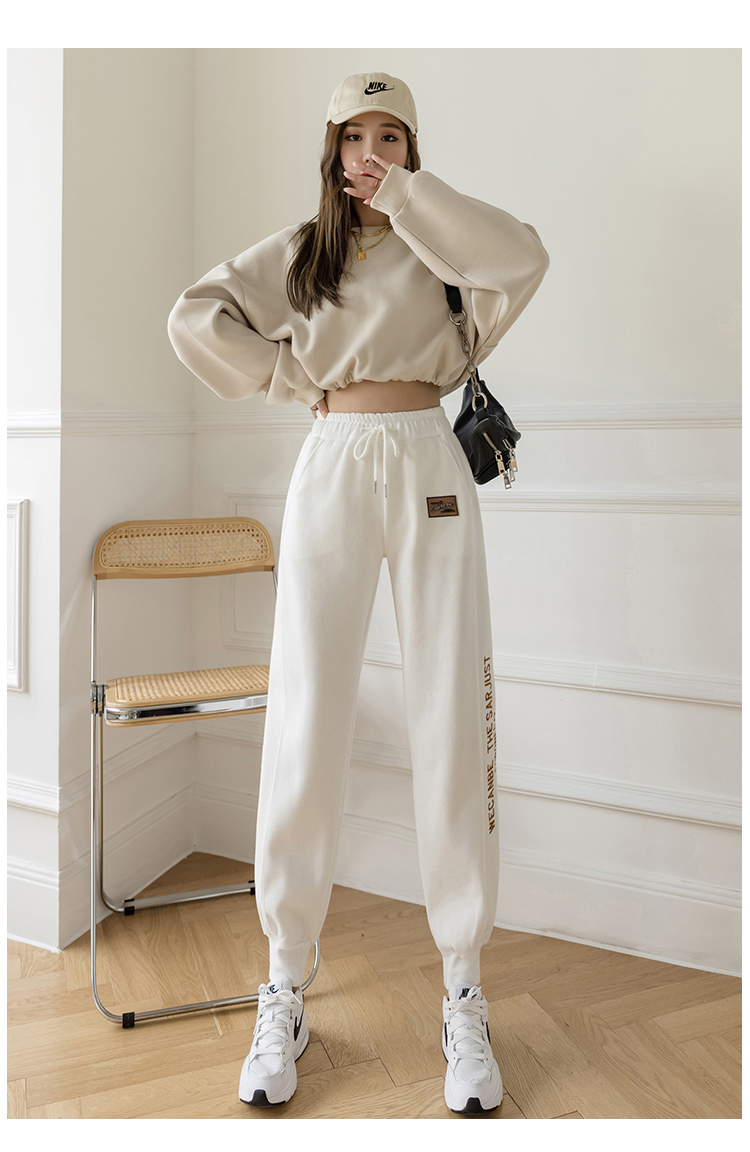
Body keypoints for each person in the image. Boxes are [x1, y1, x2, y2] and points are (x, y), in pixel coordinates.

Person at [167, 71, 550, 1115]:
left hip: (430, 459)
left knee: (450, 712)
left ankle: (463, 989)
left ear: (411, 150)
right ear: (331, 148)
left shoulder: (444, 244)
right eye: (355, 136)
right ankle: (284, 982)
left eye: (392, 136)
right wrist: (292, 381)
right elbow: (194, 315)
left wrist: (412, 200)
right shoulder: (303, 254)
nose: (371, 153)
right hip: (334, 460)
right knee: (306, 714)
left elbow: (525, 257)